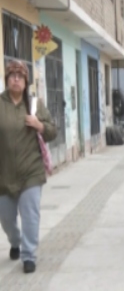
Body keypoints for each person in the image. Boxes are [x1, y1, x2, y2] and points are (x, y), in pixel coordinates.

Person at [0, 60, 57, 274]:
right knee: (6, 219)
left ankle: (29, 255)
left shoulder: (34, 105)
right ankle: (15, 241)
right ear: (6, 80)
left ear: (26, 81)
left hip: (31, 171)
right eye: (12, 76)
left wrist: (39, 125)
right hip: (4, 173)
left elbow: (52, 131)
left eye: (20, 76)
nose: (16, 79)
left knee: (30, 215)